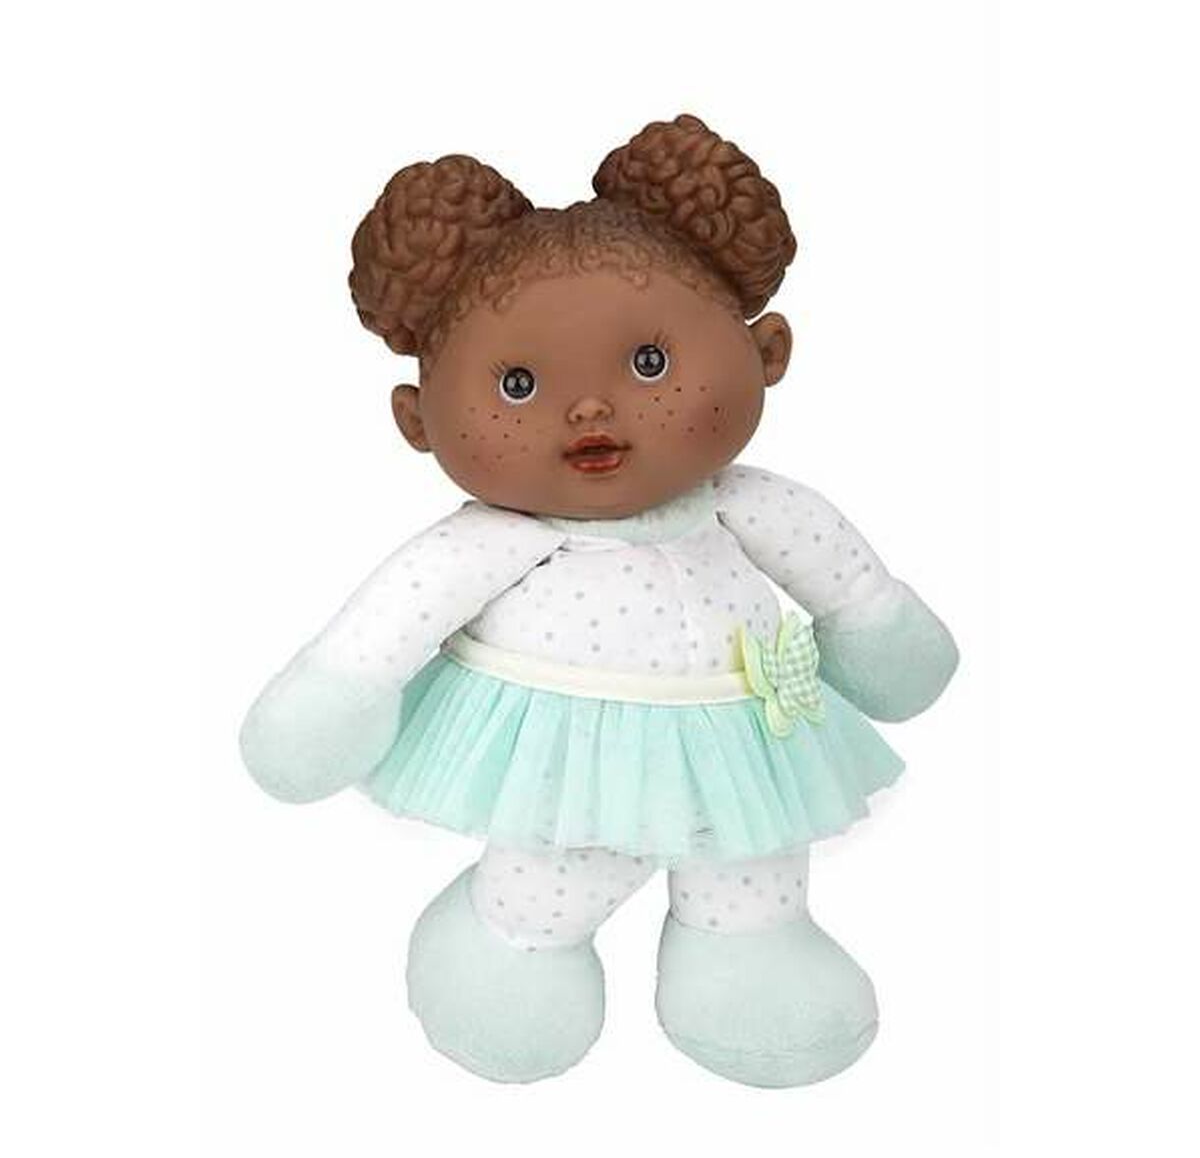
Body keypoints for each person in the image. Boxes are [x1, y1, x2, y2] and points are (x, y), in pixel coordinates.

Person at [240, 113, 958, 1086]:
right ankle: (513, 945)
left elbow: (850, 588)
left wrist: (886, 644)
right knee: (552, 868)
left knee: (750, 861)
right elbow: (382, 631)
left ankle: (749, 956)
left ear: (768, 353)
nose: (590, 409)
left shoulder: (752, 506)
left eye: (650, 364)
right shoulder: (495, 543)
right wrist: (326, 706)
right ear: (418, 418)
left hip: (740, 748)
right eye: (519, 382)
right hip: (562, 763)